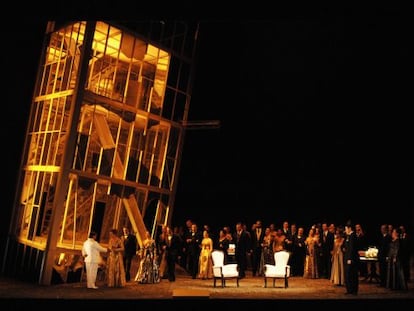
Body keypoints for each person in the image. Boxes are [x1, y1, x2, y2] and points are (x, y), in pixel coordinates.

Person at [342, 220, 359, 295]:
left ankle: (353, 290)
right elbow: (347, 246)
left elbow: (352, 248)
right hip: (347, 257)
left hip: (351, 259)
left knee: (352, 275)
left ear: (349, 228)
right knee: (348, 274)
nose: (345, 230)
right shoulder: (348, 236)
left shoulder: (353, 236)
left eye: (346, 228)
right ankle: (349, 290)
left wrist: (350, 258)